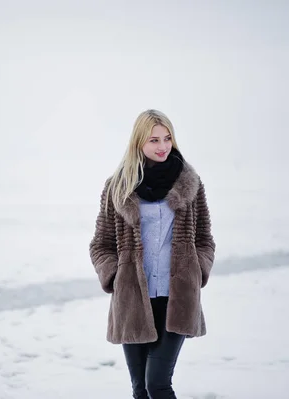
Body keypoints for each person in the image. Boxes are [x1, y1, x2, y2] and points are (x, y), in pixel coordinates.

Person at [89, 109, 216, 399]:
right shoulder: (117, 187)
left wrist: (197, 271)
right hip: (133, 301)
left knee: (157, 384)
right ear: (138, 143)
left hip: (177, 298)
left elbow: (205, 239)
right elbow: (101, 244)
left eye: (167, 138)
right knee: (140, 390)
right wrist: (116, 275)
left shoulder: (189, 184)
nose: (162, 146)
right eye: (154, 140)